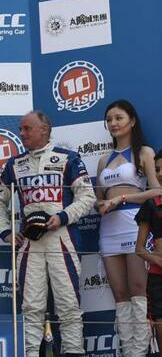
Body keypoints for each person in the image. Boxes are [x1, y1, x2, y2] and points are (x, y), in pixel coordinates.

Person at [0, 110, 95, 357]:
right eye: (21, 129)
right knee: (31, 306)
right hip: (30, 243)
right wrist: (5, 231)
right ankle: (29, 353)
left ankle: (73, 352)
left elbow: (88, 196)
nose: (21, 133)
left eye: (27, 128)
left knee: (68, 304)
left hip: (62, 240)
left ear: (44, 130)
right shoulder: (14, 164)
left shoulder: (68, 158)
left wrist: (63, 217)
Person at [95, 99, 159, 357]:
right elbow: (99, 197)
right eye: (109, 119)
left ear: (131, 120)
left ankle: (140, 352)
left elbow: (156, 190)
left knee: (137, 291)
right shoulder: (102, 159)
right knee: (120, 295)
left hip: (134, 224)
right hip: (108, 229)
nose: (113, 123)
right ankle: (128, 351)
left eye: (118, 118)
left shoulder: (144, 152)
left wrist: (121, 199)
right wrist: (101, 204)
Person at [134, 150, 162, 355]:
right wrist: (158, 260)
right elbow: (139, 248)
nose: (160, 174)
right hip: (158, 279)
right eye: (158, 169)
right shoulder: (151, 205)